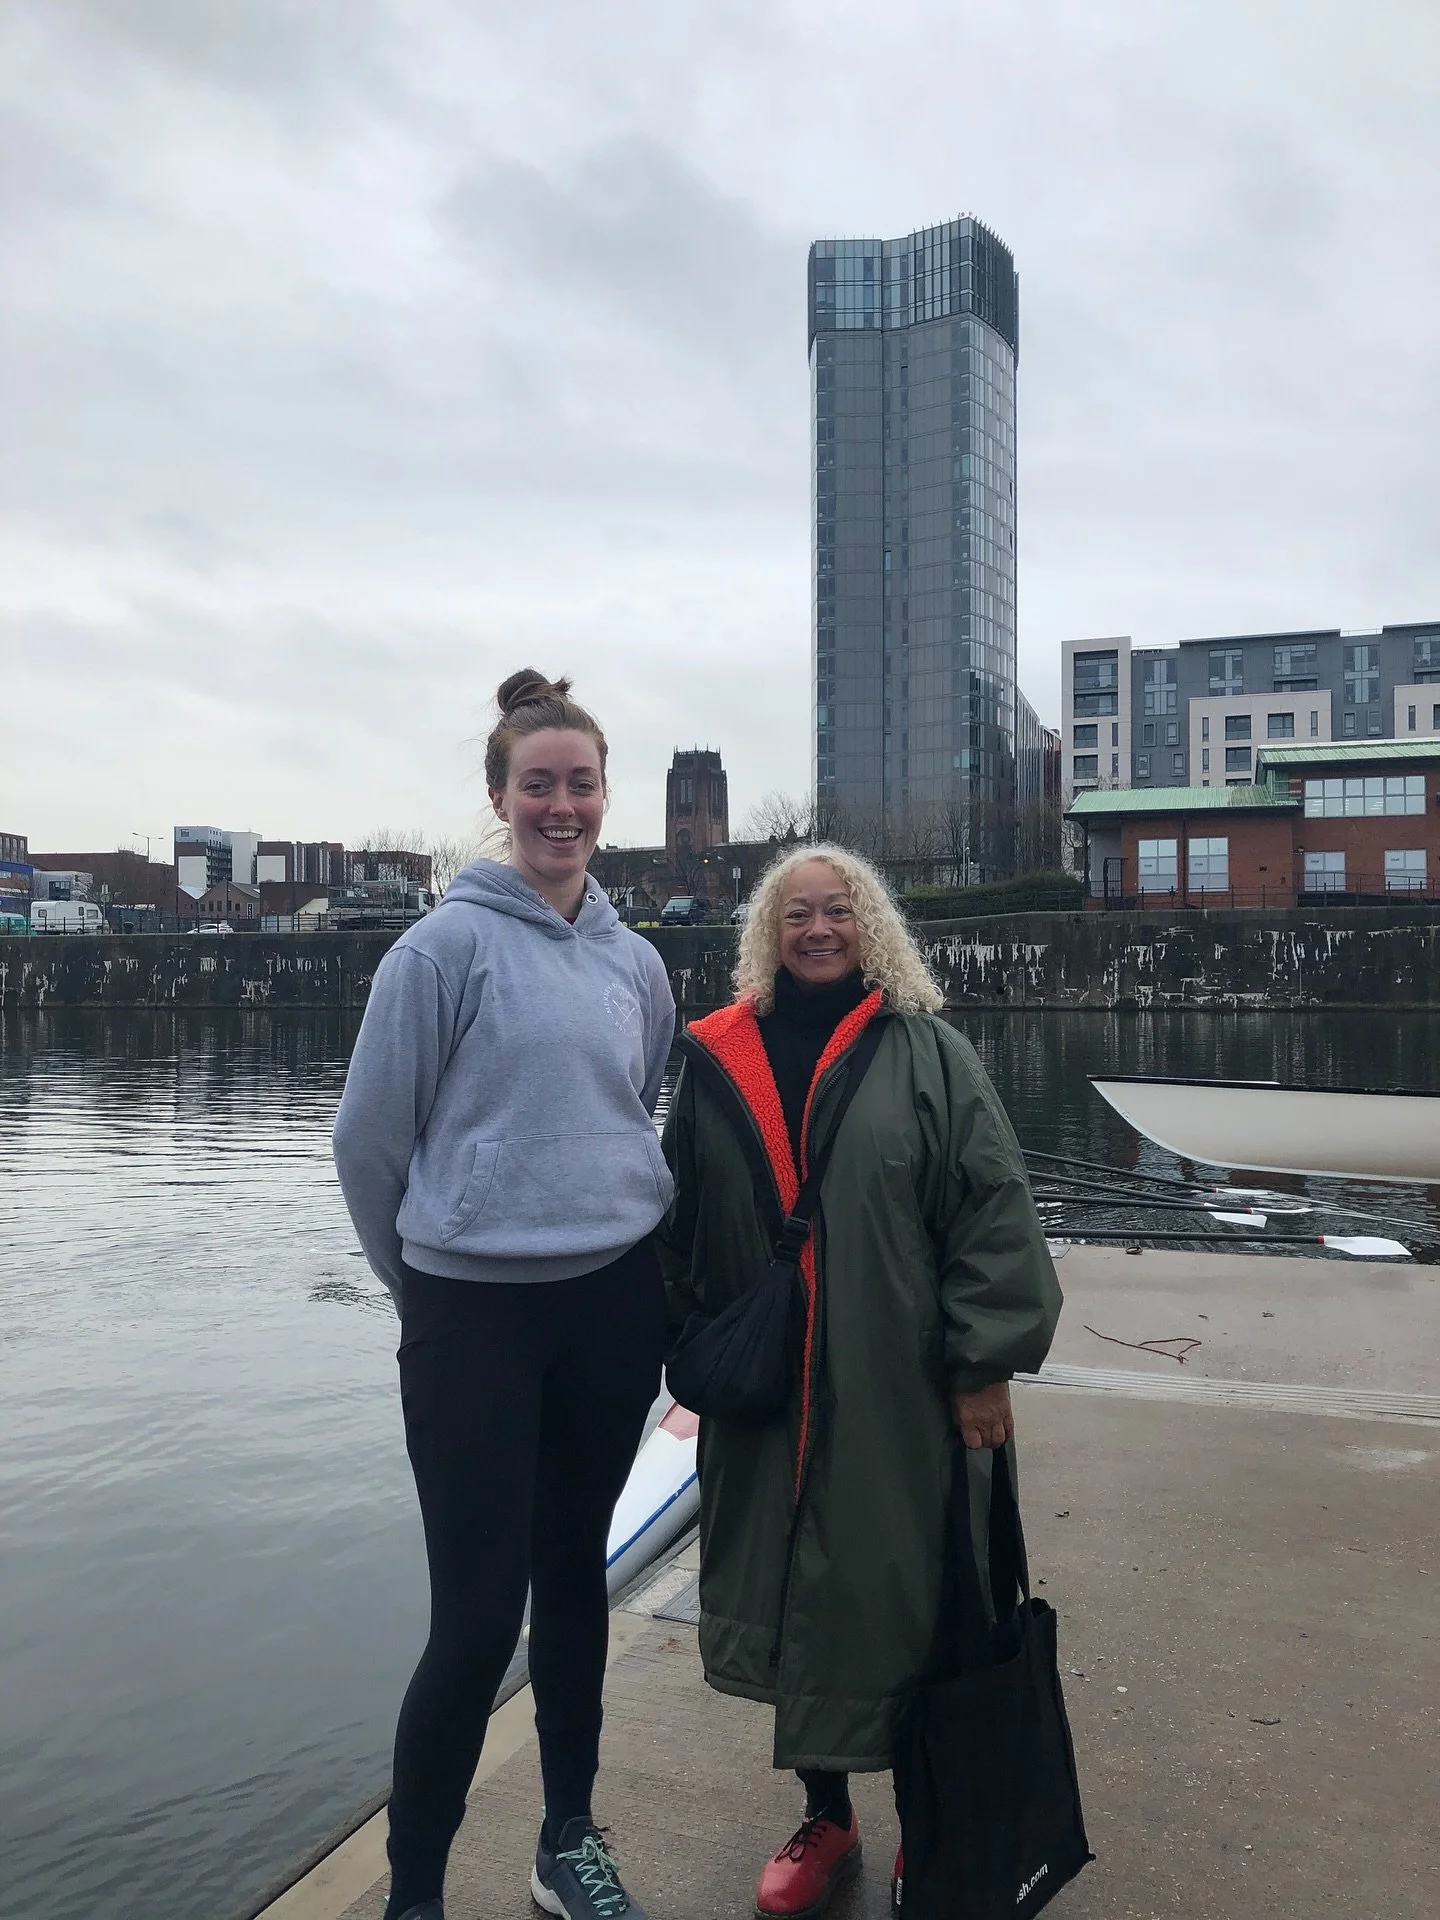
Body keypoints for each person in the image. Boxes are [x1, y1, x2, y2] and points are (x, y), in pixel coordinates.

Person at [657, 845, 1061, 1920]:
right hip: (770, 1397)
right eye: (798, 914)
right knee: (799, 1600)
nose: (819, 929)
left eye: (839, 911)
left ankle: (931, 1819)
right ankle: (826, 1812)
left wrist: (984, 1365)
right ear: (769, 933)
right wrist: (694, 1352)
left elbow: (993, 1209)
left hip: (905, 1393)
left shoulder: (926, 1053)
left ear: (870, 925)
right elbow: (680, 1222)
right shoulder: (713, 1060)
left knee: (926, 1596)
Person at [332, 670, 675, 1920]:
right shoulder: (441, 950)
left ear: (603, 800)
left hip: (609, 1311)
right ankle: (414, 1890)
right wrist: (426, 1284)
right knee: (476, 1618)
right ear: (499, 797)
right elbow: (370, 1146)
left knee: (573, 1583)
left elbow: (626, 1112)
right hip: (472, 1319)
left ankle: (566, 1838)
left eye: (582, 784)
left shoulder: (635, 964)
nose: (562, 806)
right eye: (540, 784)